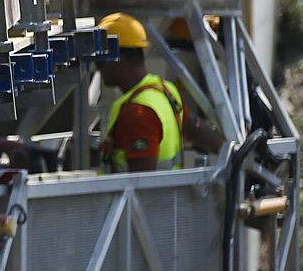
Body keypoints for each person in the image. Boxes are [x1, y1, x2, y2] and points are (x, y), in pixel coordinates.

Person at [94, 12, 223, 172]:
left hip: (150, 197)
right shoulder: (166, 91)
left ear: (119, 57)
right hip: (170, 195)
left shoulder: (138, 113)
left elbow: (142, 185)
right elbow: (195, 129)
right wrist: (228, 148)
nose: (97, 67)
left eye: (100, 61)